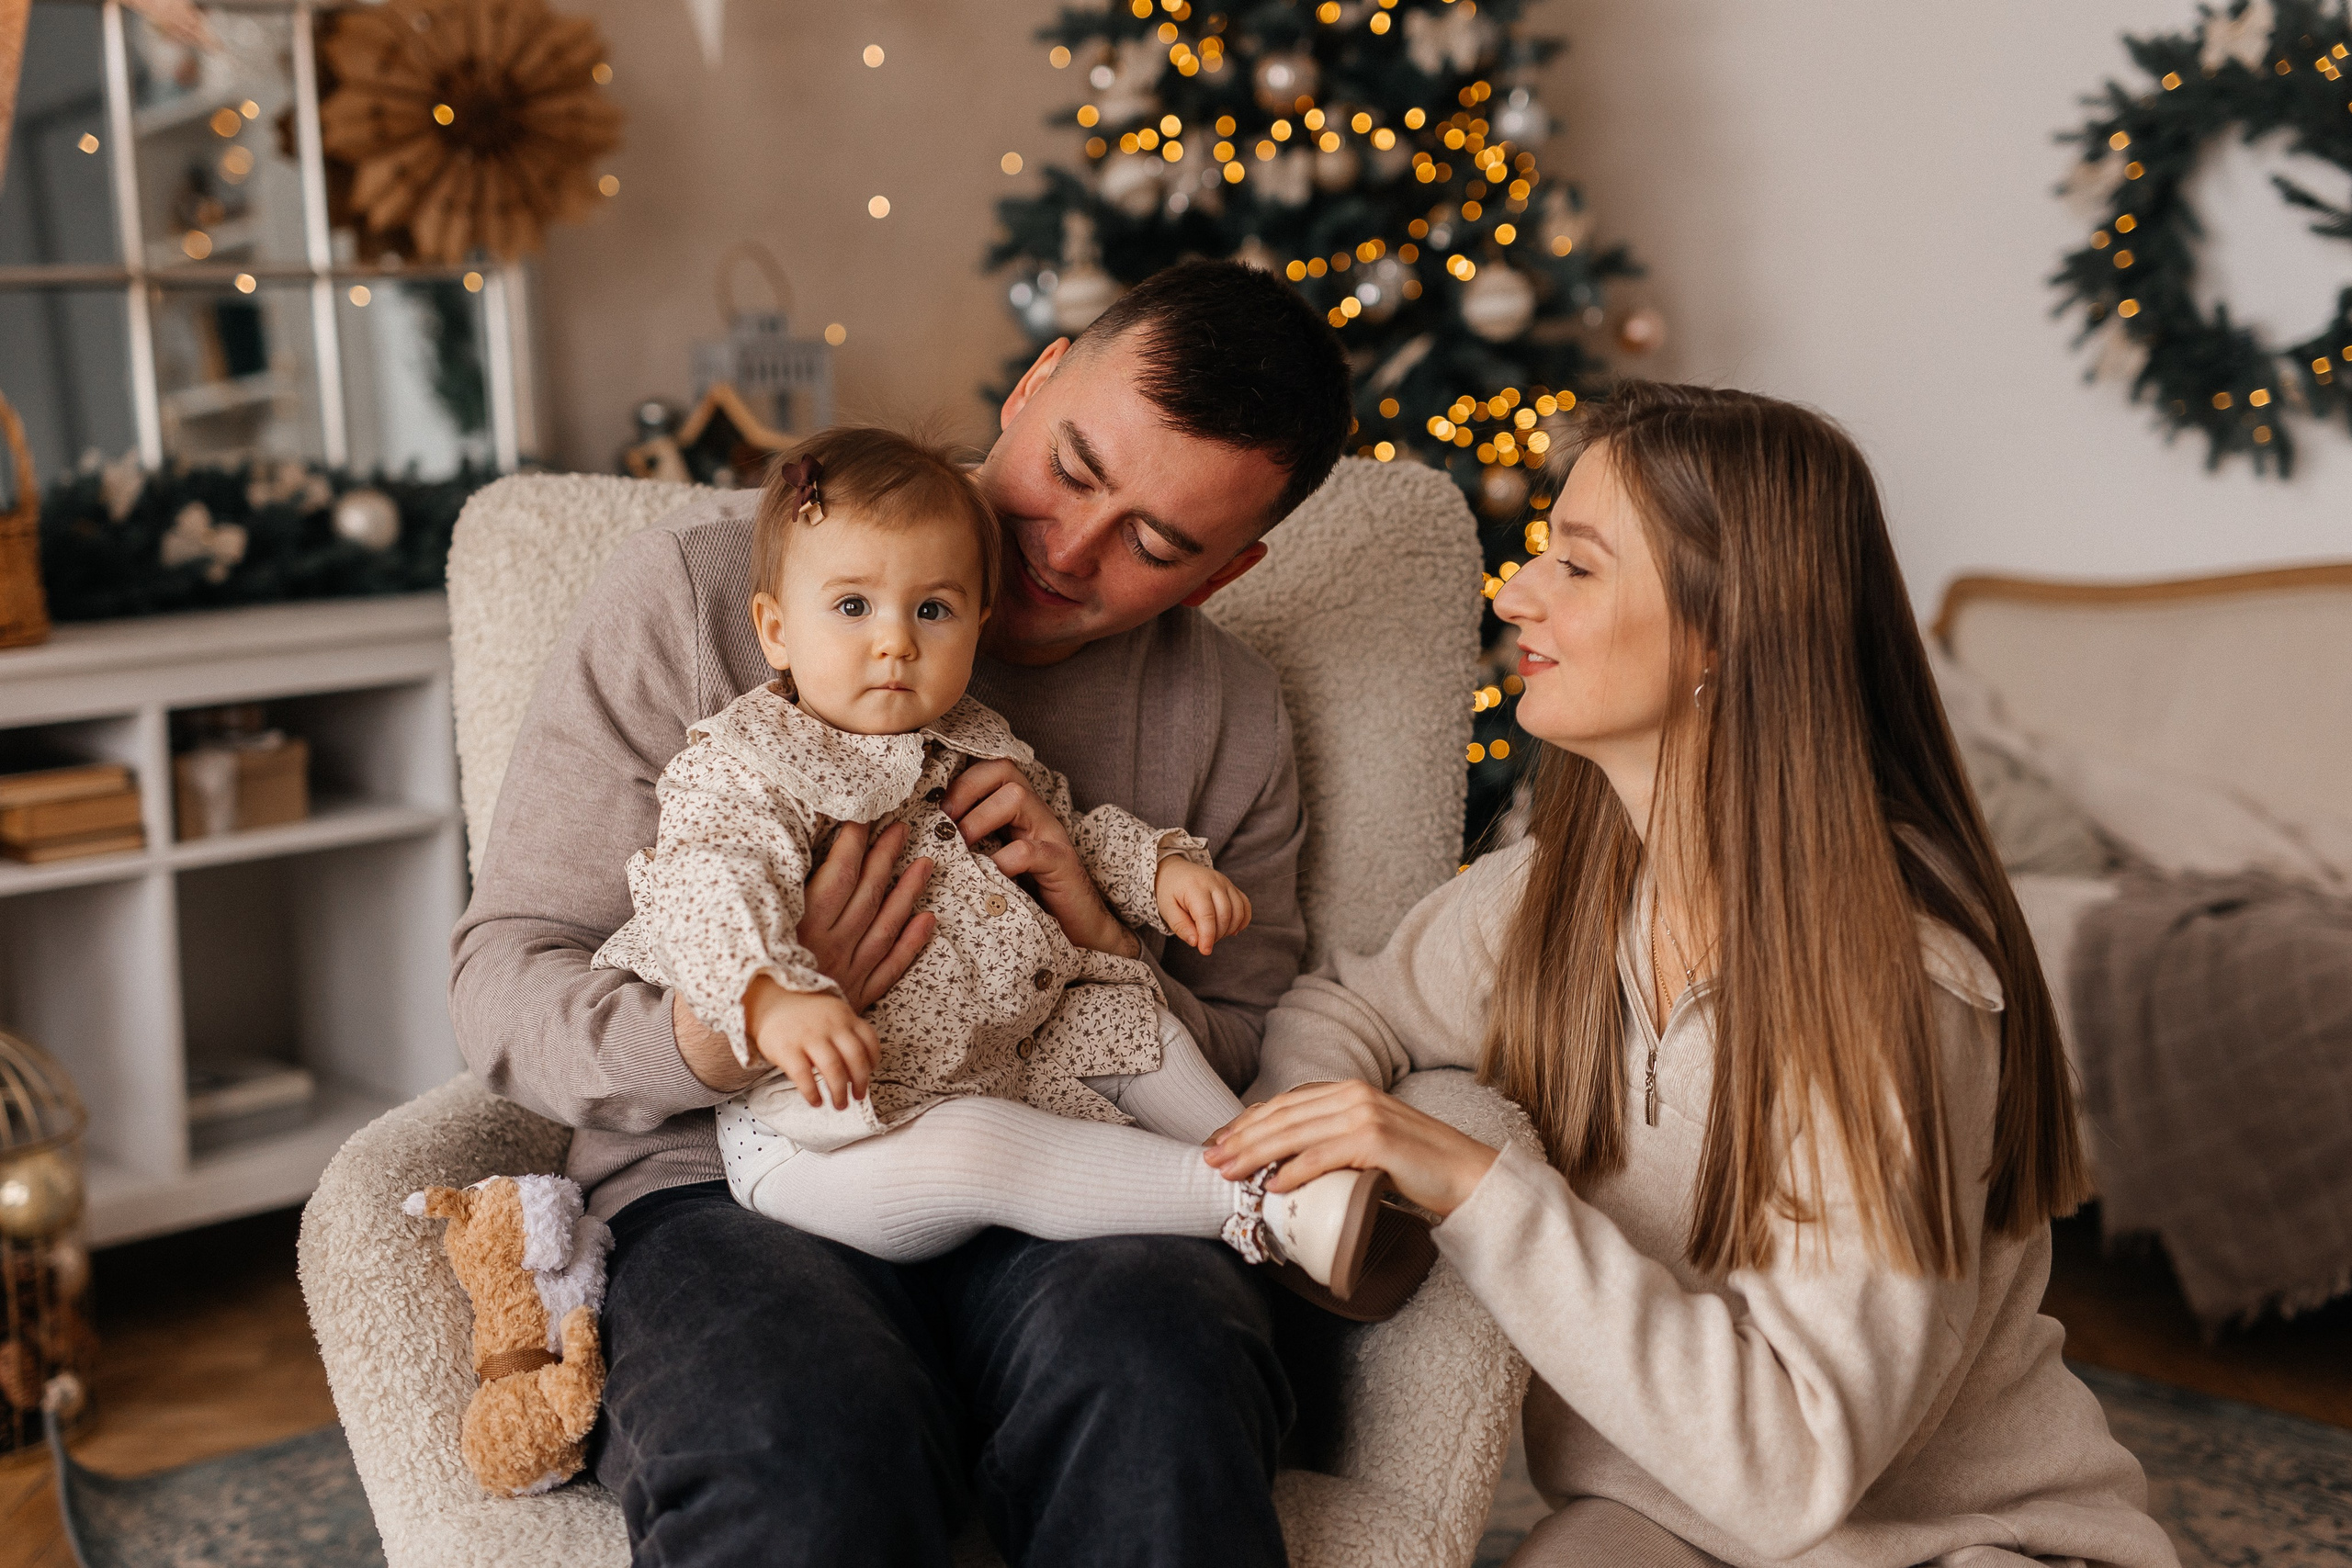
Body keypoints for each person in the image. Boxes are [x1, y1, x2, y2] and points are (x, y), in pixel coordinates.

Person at [450, 259, 1351, 1565]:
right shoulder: (698, 601)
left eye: (1155, 544)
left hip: (1075, 1165)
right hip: (730, 1176)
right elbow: (504, 971)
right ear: (1035, 382)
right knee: (796, 1454)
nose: (1063, 550)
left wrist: (1102, 939)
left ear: (1229, 567)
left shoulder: (1226, 713)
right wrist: (730, 1027)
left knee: (1159, 1385)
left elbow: (1255, 1048)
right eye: (1075, 470)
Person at [1211, 383, 2180, 1568]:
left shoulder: (1895, 991)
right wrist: (1314, 1195)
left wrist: (1479, 1186)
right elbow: (1347, 1004)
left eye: (1577, 566)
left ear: (1722, 630)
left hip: (1961, 1547)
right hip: (1667, 1528)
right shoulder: (1554, 896)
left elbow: (1790, 1475)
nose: (1516, 596)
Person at [592, 424, 1390, 1291]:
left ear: (975, 621)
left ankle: (1286, 1168)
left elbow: (1070, 829)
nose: (894, 641)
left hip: (1003, 1050)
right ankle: (1252, 1209)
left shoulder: (970, 740)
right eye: (853, 607)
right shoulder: (752, 759)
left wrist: (1160, 875)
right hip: (835, 1133)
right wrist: (772, 996)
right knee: (974, 1144)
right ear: (776, 630)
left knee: (1134, 1026)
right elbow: (709, 879)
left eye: (930, 610)